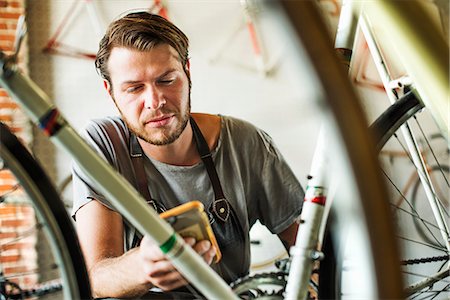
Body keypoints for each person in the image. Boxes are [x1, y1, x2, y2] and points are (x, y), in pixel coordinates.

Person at [72, 11, 304, 299]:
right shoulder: (103, 145)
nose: (154, 102)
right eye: (134, 88)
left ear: (187, 72)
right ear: (111, 92)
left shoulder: (246, 143)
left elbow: (311, 250)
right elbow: (94, 278)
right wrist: (142, 267)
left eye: (167, 80)